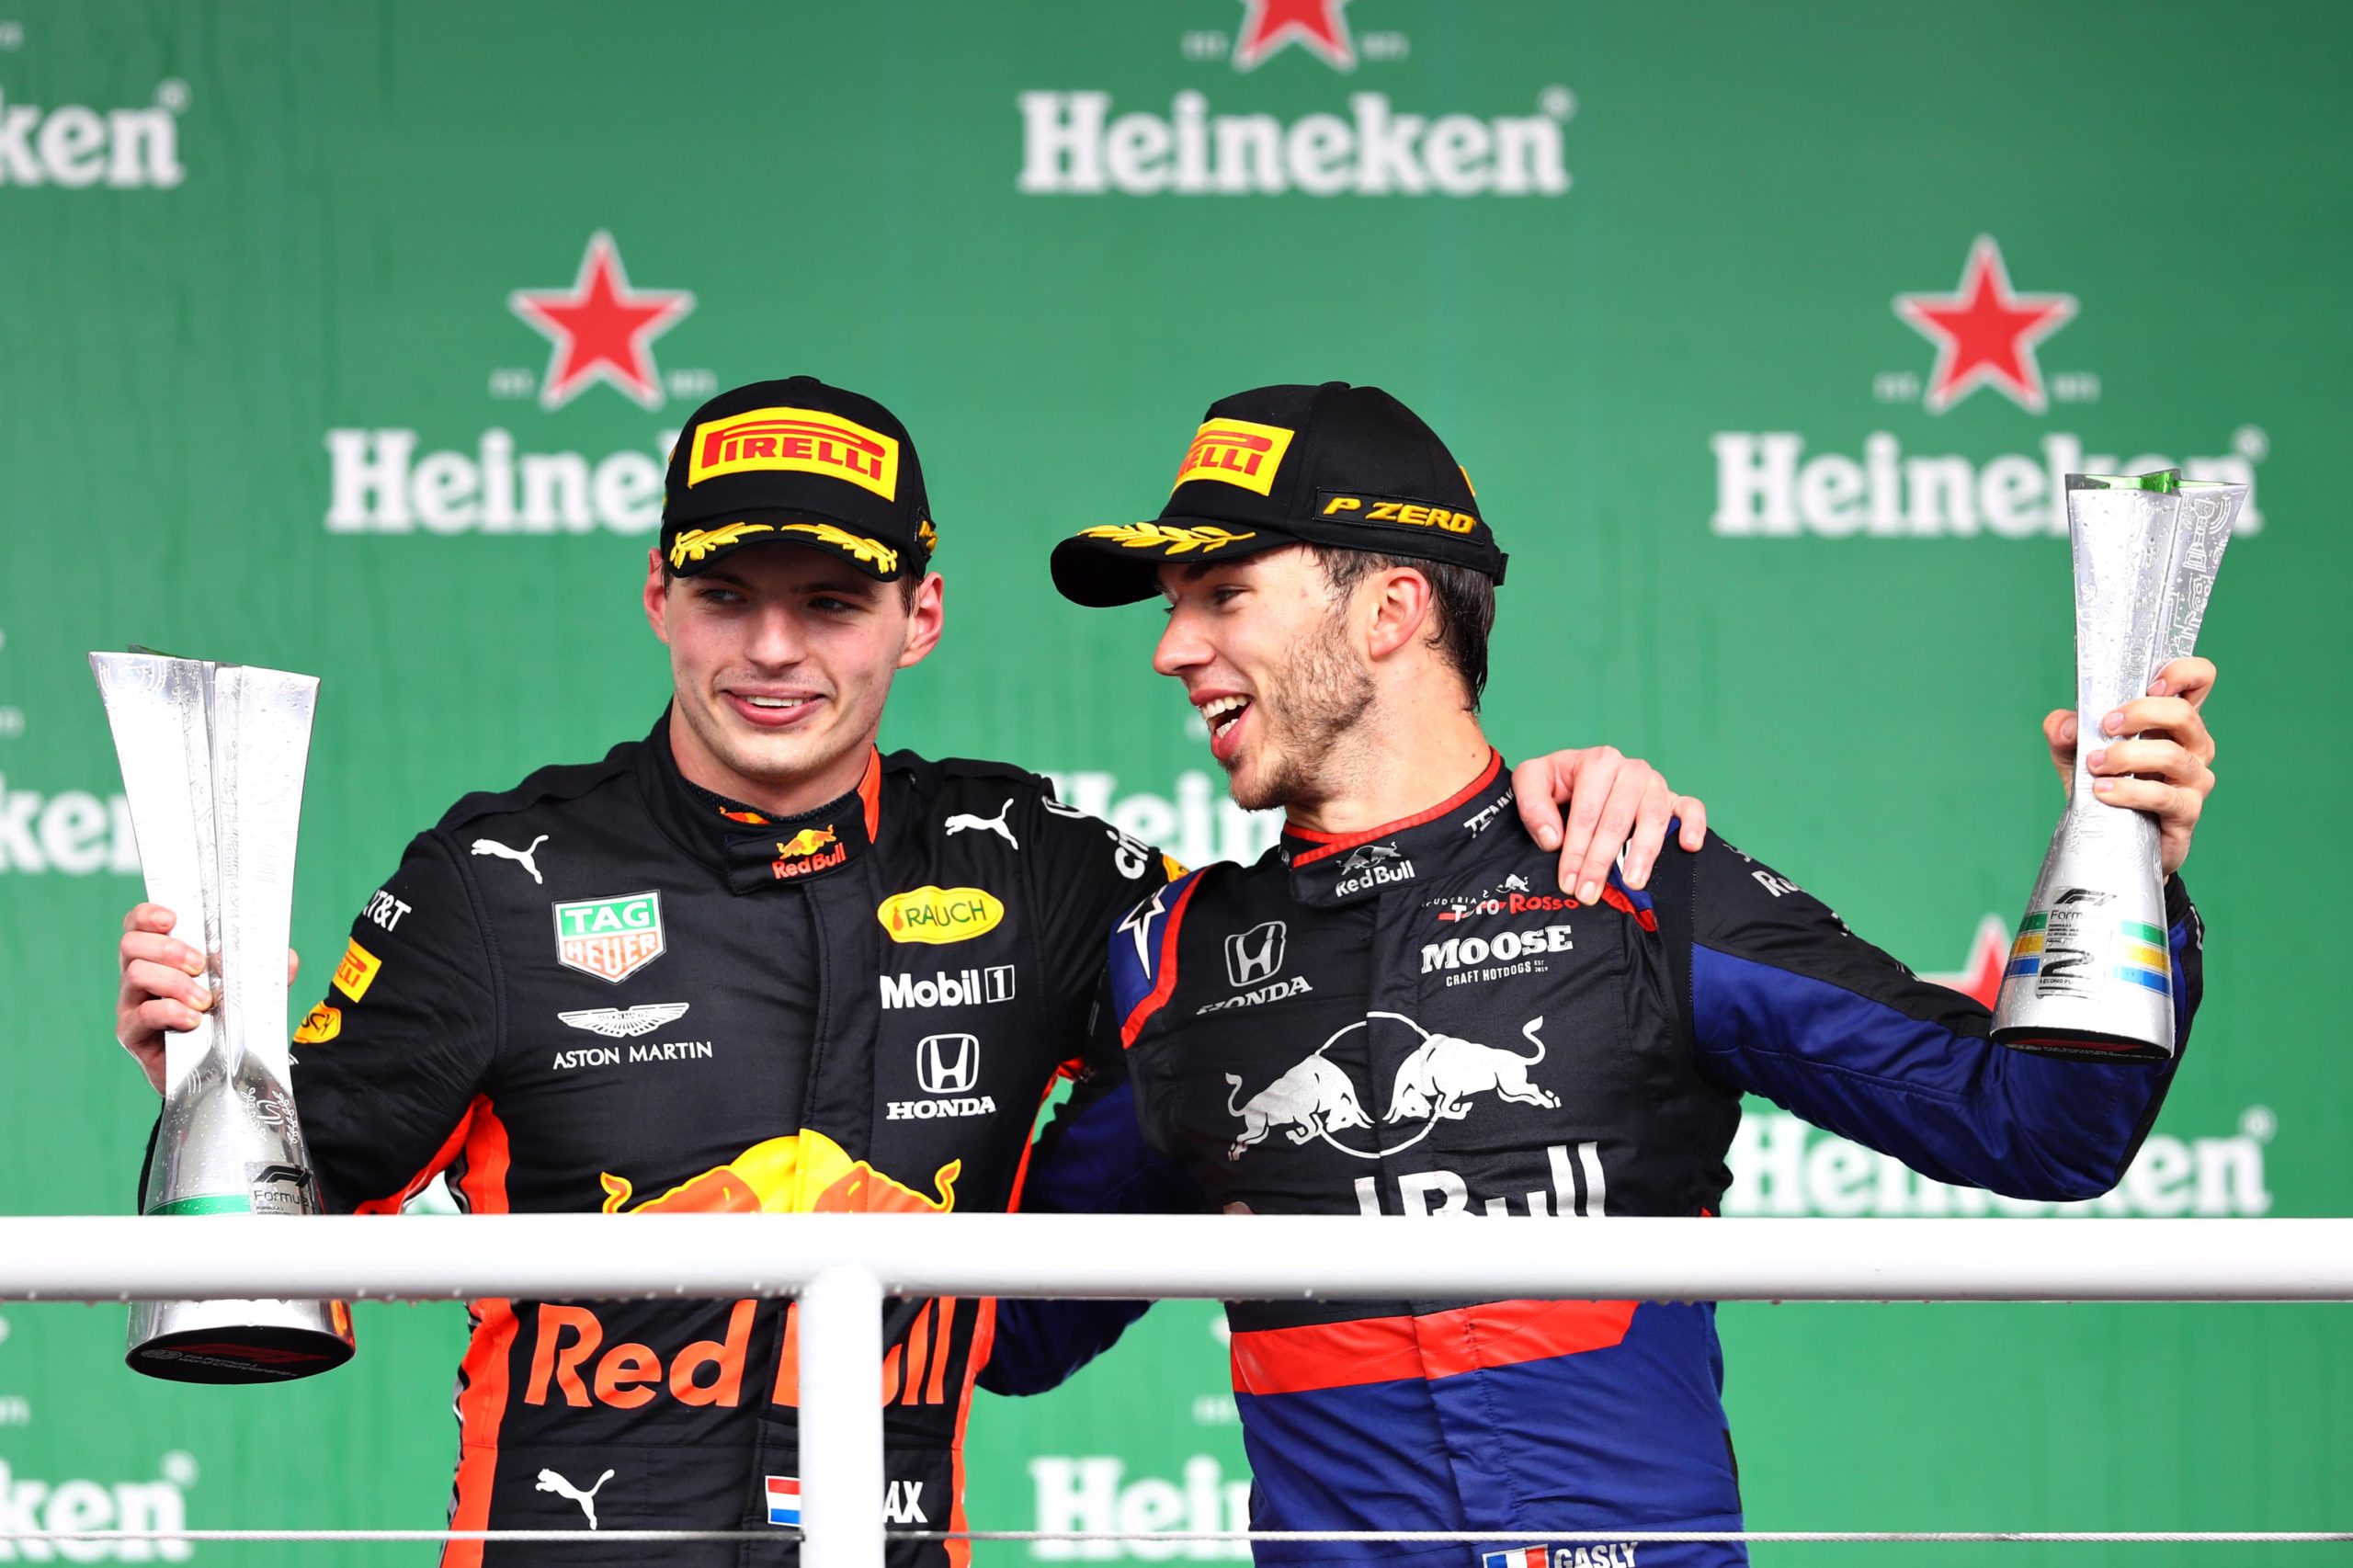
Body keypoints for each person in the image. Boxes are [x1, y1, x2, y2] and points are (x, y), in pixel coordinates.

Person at [112, 376, 1705, 1567]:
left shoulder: (1040, 866)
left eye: (834, 601)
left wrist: (1526, 823)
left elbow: (1315, 938)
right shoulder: (496, 875)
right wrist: (203, 1088)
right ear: (658, 596)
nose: (774, 651)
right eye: (727, 595)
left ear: (920, 614)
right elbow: (262, 1257)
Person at [1040, 381, 2218, 1567]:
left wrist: (2121, 859)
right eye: (1176, 605)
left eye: (1224, 595)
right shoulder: (1173, 958)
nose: (1171, 648)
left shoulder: (1631, 875)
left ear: (1391, 607)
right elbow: (1010, 1323)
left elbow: (2041, 1126)